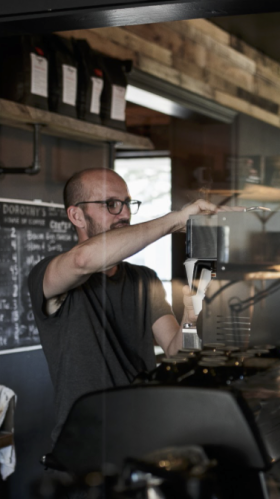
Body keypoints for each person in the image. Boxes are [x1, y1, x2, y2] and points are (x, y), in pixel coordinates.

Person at [29, 167, 222, 445]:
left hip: (142, 432)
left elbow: (177, 351)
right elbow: (83, 260)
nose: (125, 214)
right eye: (111, 204)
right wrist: (175, 220)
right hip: (88, 442)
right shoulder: (48, 274)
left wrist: (191, 313)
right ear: (76, 215)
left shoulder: (144, 280)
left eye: (127, 203)